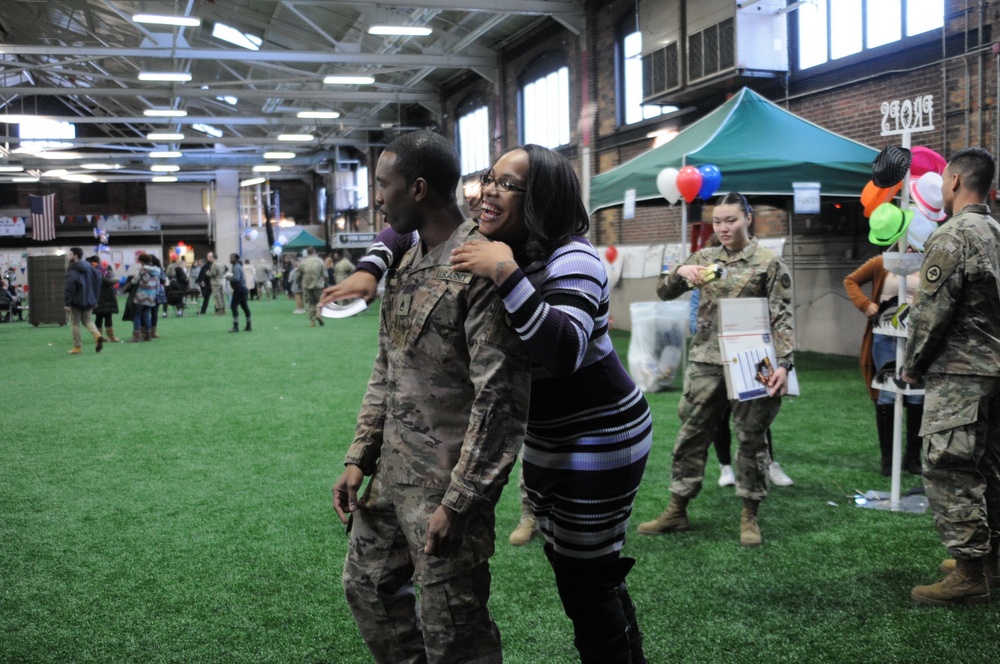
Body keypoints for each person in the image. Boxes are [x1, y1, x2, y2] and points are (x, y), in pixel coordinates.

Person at [330, 144, 654, 662]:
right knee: (569, 565)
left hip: (600, 430)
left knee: (585, 580)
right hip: (544, 432)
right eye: (488, 178)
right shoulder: (493, 241)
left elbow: (560, 355)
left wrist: (505, 272)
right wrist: (371, 265)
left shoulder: (563, 256)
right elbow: (406, 224)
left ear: (539, 198)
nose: (488, 191)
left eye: (505, 184)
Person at [332, 131, 532, 664]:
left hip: (445, 490)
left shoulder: (481, 266)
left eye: (383, 185)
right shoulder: (405, 259)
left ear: (418, 189)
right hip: (391, 478)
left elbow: (500, 404)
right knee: (369, 590)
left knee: (454, 634)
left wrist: (462, 501)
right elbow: (387, 368)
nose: (377, 197)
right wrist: (360, 456)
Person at [638, 192, 794, 548]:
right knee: (691, 435)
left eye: (731, 220)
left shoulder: (769, 263)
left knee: (751, 438)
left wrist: (785, 365)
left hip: (752, 360)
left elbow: (782, 317)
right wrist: (680, 271)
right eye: (718, 221)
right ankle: (677, 509)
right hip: (706, 361)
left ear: (748, 219)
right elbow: (663, 291)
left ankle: (749, 514)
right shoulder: (704, 258)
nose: (724, 227)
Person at [901, 147, 1000, 606]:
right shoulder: (996, 231)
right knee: (989, 466)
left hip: (961, 375)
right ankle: (991, 558)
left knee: (949, 467)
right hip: (995, 373)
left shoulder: (953, 236)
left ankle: (968, 571)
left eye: (943, 180)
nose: (941, 189)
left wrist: (911, 365)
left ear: (957, 181)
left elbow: (930, 315)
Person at [689, 287, 793, 488]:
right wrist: (719, 326)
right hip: (715, 361)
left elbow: (768, 314)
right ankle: (725, 467)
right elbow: (694, 325)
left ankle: (768, 465)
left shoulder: (750, 284)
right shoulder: (701, 289)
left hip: (748, 354)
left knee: (758, 412)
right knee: (720, 415)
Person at [844, 254, 924, 476]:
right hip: (886, 336)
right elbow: (850, 281)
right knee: (887, 393)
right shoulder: (883, 262)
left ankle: (913, 457)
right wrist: (865, 305)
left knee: (918, 395)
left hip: (919, 337)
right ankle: (888, 460)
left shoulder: (928, 260)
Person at [63, 247, 104, 355]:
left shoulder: (72, 269)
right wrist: (95, 298)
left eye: (70, 254)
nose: (69, 256)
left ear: (76, 256)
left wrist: (67, 303)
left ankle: (77, 347)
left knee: (75, 323)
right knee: (87, 320)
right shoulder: (90, 268)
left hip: (76, 301)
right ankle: (97, 335)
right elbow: (98, 281)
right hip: (89, 299)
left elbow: (69, 287)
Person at [87, 256, 121, 342]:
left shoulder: (91, 270)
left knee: (99, 317)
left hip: (98, 296)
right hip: (105, 296)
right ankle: (110, 336)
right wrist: (116, 280)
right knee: (107, 316)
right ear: (97, 261)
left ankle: (99, 336)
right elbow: (106, 281)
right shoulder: (99, 270)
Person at [128, 252, 160, 342]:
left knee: (137, 315)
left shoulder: (142, 270)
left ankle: (136, 335)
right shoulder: (156, 271)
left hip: (141, 295)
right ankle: (148, 335)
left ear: (142, 261)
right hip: (151, 295)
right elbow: (158, 285)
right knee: (147, 314)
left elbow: (134, 281)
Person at [295, 246, 326, 327]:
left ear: (307, 252)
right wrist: (326, 283)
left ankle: (312, 321)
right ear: (314, 252)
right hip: (318, 285)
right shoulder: (320, 261)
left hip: (307, 285)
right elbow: (325, 275)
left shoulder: (303, 262)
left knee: (310, 303)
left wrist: (298, 282)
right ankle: (318, 313)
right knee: (319, 301)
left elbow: (298, 275)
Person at [227, 253, 251, 332]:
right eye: (230, 257)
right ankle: (248, 325)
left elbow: (237, 278)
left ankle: (236, 326)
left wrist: (229, 277)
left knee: (233, 306)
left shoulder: (236, 267)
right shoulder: (237, 266)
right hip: (242, 289)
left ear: (236, 259)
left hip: (239, 289)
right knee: (245, 307)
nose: (230, 259)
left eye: (232, 258)